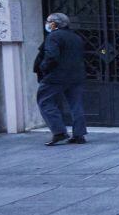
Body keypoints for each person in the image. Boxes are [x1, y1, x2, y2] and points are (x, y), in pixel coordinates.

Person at [36, 12, 87, 146]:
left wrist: (43, 68)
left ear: (54, 23)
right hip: (76, 76)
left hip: (56, 76)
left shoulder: (54, 36)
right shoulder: (76, 37)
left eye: (48, 21)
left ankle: (59, 132)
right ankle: (79, 134)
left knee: (45, 102)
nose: (47, 24)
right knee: (76, 105)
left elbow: (51, 56)